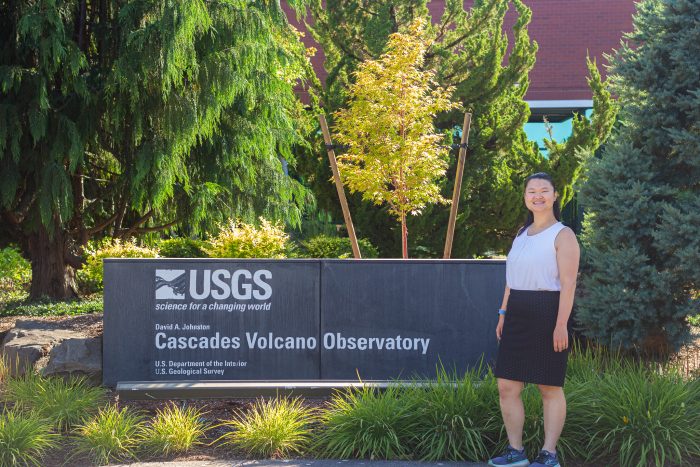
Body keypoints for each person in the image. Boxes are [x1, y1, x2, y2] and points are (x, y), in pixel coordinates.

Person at [488, 172, 580, 467]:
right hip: (517, 311)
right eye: (531, 191)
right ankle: (516, 452)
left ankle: (548, 455)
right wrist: (503, 312)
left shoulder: (563, 235)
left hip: (548, 311)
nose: (537, 195)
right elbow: (510, 280)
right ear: (525, 197)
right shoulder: (520, 235)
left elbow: (568, 284)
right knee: (507, 386)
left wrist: (561, 324)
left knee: (548, 386)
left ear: (555, 196)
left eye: (544, 190)